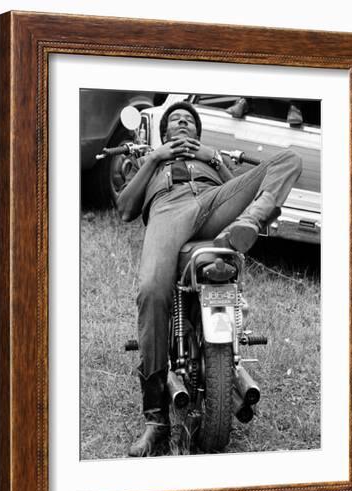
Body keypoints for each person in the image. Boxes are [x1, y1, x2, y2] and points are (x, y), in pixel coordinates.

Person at [117, 101, 302, 457]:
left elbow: (243, 187)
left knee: (289, 158)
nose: (183, 123)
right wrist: (156, 158)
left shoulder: (211, 160)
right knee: (152, 293)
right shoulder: (149, 162)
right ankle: (156, 423)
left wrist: (214, 158)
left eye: (189, 121)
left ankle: (246, 225)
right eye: (175, 121)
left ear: (197, 133)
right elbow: (126, 208)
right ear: (165, 133)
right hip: (168, 212)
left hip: (214, 205)